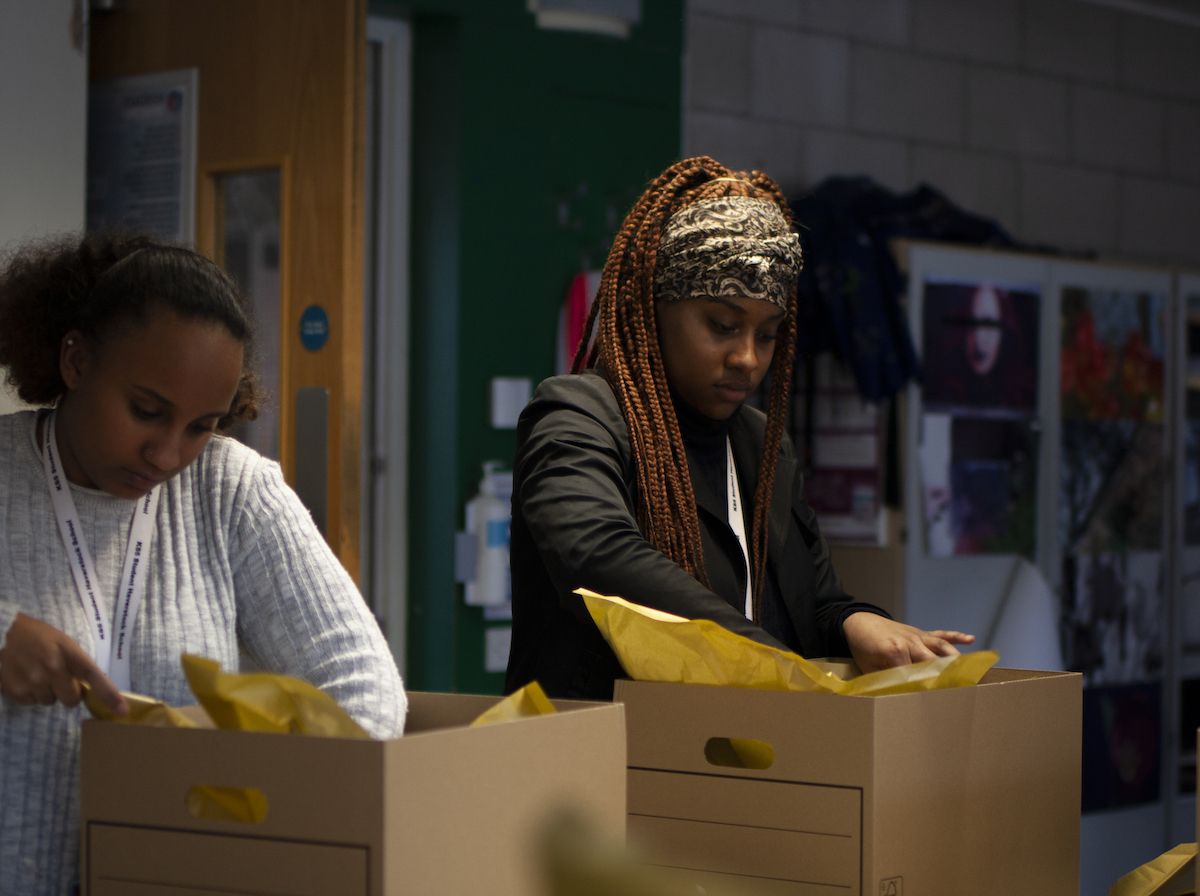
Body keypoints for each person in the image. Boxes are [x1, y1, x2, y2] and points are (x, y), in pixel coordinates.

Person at [0, 234, 406, 895]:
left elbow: (361, 679)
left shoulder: (230, 490)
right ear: (75, 361)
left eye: (201, 425)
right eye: (146, 411)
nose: (166, 453)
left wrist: (284, 815)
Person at [505, 157, 974, 700]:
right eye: (723, 326)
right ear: (653, 308)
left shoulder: (759, 445)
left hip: (734, 756)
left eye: (768, 334)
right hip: (600, 760)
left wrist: (859, 623)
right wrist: (773, 663)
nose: (748, 359)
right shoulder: (579, 416)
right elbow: (598, 555)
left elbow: (811, 602)